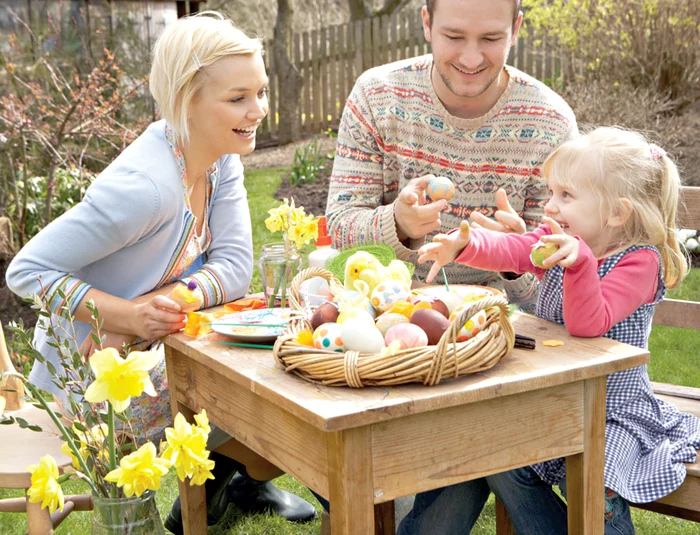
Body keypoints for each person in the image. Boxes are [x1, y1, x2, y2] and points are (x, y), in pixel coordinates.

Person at [5, 11, 316, 535]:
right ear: (186, 99)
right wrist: (125, 314)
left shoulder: (221, 159)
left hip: (145, 354)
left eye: (260, 92)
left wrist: (145, 314)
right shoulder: (144, 188)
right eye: (238, 97)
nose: (258, 110)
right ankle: (237, 481)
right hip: (87, 385)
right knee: (274, 402)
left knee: (278, 384)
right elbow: (27, 271)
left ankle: (241, 482)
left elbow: (236, 269)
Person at [408, 127, 700, 534]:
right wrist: (466, 245)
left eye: (566, 196)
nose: (550, 206)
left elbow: (588, 324)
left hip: (609, 408)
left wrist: (579, 264)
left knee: (595, 478)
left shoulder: (639, 263)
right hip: (549, 391)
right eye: (552, 193)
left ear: (616, 212)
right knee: (495, 454)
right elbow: (513, 249)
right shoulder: (557, 238)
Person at [326, 0, 578, 312]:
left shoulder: (551, 125)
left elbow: (558, 296)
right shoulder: (377, 96)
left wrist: (513, 258)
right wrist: (397, 224)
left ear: (515, 30)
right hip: (383, 316)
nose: (471, 59)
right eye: (455, 37)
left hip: (494, 327)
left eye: (490, 38)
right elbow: (338, 227)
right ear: (427, 23)